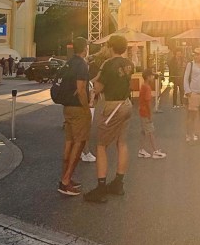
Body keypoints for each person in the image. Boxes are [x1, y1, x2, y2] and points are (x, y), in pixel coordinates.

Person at [83, 34, 134, 203]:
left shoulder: (107, 64)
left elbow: (98, 88)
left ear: (111, 47)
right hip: (126, 104)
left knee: (101, 145)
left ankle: (101, 187)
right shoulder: (129, 63)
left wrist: (96, 79)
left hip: (112, 106)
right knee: (122, 143)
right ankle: (118, 183)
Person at [57, 37, 92, 196]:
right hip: (78, 108)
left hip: (67, 107)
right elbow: (81, 89)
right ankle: (66, 181)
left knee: (69, 142)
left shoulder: (69, 62)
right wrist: (86, 109)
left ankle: (65, 178)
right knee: (79, 143)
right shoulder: (82, 64)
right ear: (84, 48)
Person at [137, 68, 165, 159]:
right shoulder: (147, 88)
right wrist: (150, 115)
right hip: (145, 113)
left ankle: (141, 150)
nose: (153, 77)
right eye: (152, 76)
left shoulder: (143, 86)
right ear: (148, 77)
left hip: (142, 111)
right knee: (150, 132)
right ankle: (155, 151)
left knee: (144, 132)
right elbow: (148, 102)